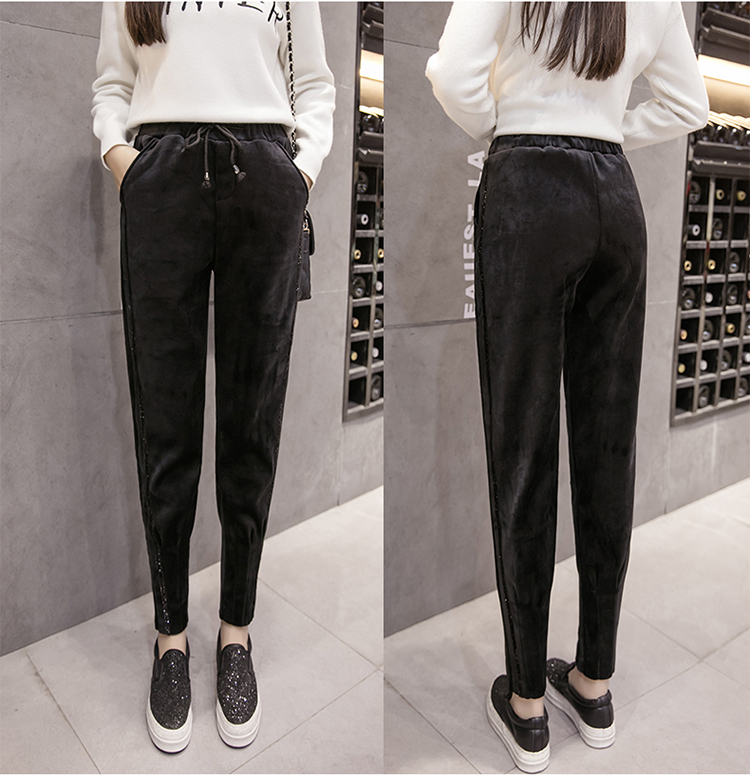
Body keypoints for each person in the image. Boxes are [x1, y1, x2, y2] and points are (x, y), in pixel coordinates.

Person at [426, 2, 708, 772]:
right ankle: (594, 682)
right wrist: (609, 129)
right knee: (608, 447)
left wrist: (509, 125)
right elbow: (689, 104)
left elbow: (450, 73)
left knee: (524, 445)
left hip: (528, 187)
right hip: (615, 198)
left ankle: (526, 703)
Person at [91, 0, 335, 754]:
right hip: (160, 176)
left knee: (251, 418)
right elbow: (111, 84)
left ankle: (236, 630)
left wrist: (299, 173)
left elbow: (315, 85)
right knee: (164, 418)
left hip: (265, 174)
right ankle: (171, 637)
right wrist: (126, 166)